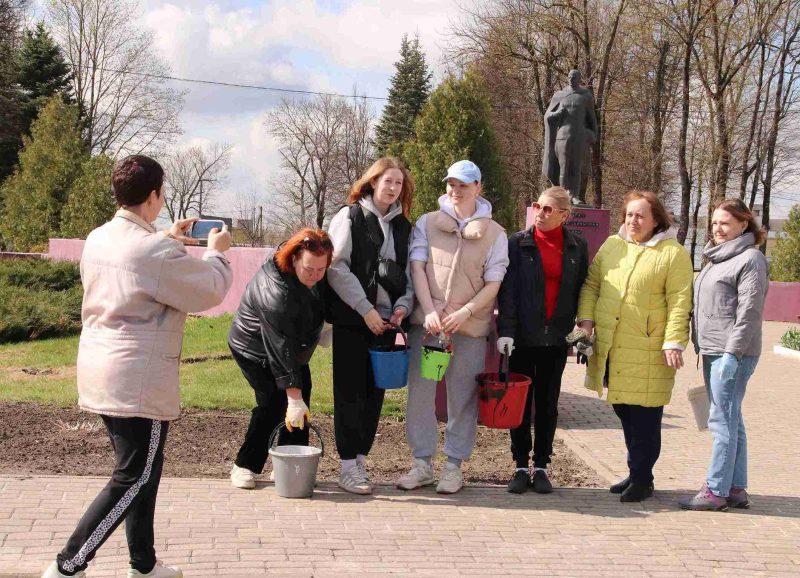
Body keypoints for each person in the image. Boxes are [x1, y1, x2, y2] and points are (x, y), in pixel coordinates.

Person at [43, 155, 232, 578]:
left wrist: (166, 235)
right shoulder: (155, 250)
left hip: (103, 368)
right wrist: (216, 254)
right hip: (138, 377)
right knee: (134, 476)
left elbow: (136, 263)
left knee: (143, 470)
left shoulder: (100, 237)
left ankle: (143, 566)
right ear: (154, 195)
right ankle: (68, 565)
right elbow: (208, 290)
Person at [397, 159, 509, 495]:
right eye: (451, 184)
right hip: (429, 328)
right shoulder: (427, 223)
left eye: (463, 185)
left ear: (478, 188)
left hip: (468, 329)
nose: (455, 190)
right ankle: (421, 464)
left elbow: (494, 282)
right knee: (420, 395)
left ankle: (453, 467)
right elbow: (417, 268)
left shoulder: (495, 233)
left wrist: (466, 312)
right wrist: (429, 310)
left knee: (462, 399)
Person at [576, 190, 692, 502]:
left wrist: (674, 341)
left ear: (656, 220)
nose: (633, 221)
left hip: (649, 349)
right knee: (623, 408)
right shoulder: (613, 245)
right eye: (629, 215)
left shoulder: (673, 254)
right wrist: (586, 320)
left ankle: (643, 478)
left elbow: (680, 301)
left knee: (644, 417)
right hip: (613, 346)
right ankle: (637, 471)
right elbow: (592, 285)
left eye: (641, 215)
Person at [326, 157, 415, 494]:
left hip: (387, 324)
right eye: (388, 181)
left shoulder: (404, 227)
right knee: (349, 393)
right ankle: (348, 466)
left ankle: (360, 462)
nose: (393, 188)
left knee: (374, 394)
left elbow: (409, 273)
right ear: (373, 181)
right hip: (353, 319)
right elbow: (336, 268)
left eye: (398, 183)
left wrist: (402, 307)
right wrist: (365, 309)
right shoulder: (349, 217)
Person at [496, 186, 588, 494]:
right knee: (520, 405)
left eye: (548, 209)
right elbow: (508, 291)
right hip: (522, 338)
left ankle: (542, 466)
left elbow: (581, 291)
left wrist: (581, 332)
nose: (540, 213)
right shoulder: (518, 243)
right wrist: (506, 330)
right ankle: (521, 465)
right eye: (537, 206)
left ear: (564, 215)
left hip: (556, 340)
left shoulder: (576, 247)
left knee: (548, 405)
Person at [679, 199, 768, 511]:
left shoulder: (750, 259)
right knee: (731, 418)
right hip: (713, 349)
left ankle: (715, 491)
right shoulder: (716, 258)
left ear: (743, 224)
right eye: (715, 223)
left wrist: (732, 353)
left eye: (725, 223)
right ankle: (735, 487)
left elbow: (749, 312)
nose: (718, 228)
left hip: (732, 353)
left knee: (721, 421)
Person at [227, 228, 333, 490]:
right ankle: (245, 465)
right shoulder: (275, 291)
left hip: (291, 345)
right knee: (274, 403)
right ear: (295, 258)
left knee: (301, 401)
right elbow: (279, 346)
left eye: (321, 269)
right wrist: (292, 397)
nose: (315, 275)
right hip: (254, 348)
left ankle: (289, 464)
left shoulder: (315, 273)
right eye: (309, 269)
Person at [542, 69, 598, 198]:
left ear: (579, 79)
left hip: (579, 137)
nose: (571, 79)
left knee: (576, 168)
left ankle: (575, 196)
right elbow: (548, 115)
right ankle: (563, 196)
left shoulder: (586, 96)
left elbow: (592, 119)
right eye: (569, 77)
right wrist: (556, 114)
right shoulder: (559, 95)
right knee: (564, 167)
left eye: (574, 77)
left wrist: (593, 134)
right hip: (562, 137)